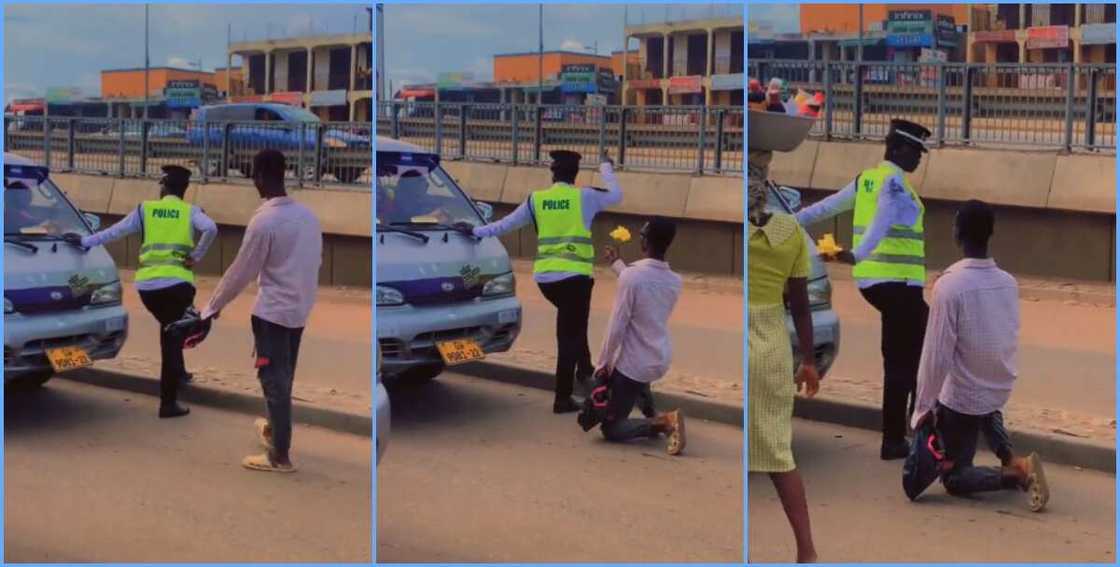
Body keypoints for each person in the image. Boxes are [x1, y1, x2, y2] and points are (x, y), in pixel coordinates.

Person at [795, 118, 932, 460]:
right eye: (915, 151)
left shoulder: (866, 180)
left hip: (874, 283)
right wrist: (856, 253)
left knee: (902, 359)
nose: (919, 158)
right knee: (914, 360)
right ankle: (913, 435)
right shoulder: (894, 184)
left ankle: (898, 437)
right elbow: (881, 223)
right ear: (897, 148)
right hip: (899, 283)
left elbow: (826, 207)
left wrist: (789, 220)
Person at [911, 200, 1049, 511]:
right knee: (983, 400)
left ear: (957, 234)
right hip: (998, 384)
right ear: (991, 234)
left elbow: (936, 356)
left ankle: (1016, 474)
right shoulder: (1007, 282)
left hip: (963, 398)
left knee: (954, 478)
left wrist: (922, 409)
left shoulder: (949, 286)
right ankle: (1010, 456)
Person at [469, 149, 622, 414]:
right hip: (575, 277)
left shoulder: (536, 200)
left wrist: (474, 231)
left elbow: (504, 225)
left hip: (546, 279)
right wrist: (606, 167)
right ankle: (562, 398)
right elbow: (617, 196)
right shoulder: (584, 196)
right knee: (569, 336)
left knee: (574, 324)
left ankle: (585, 370)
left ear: (552, 173)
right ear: (575, 174)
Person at [201, 149, 323, 473]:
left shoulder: (265, 221)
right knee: (284, 377)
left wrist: (211, 308)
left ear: (257, 177)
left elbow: (240, 272)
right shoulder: (308, 217)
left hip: (272, 314)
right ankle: (273, 429)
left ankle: (279, 457)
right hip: (298, 311)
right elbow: (315, 265)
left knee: (273, 381)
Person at [67, 165, 217, 418]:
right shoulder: (191, 212)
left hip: (148, 287)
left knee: (170, 328)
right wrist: (196, 256)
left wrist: (84, 242)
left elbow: (115, 231)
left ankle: (179, 373)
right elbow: (211, 229)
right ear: (184, 190)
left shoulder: (145, 209)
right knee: (172, 337)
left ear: (163, 187)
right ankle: (168, 403)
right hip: (178, 284)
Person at [748, 149, 819, 563]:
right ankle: (806, 550)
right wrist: (808, 360)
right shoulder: (790, 231)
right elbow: (801, 304)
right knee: (778, 452)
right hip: (773, 343)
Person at [595, 217, 685, 454]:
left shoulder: (632, 277)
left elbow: (616, 326)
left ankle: (664, 422)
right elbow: (645, 287)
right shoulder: (675, 282)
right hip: (658, 357)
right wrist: (618, 265)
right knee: (637, 379)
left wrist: (602, 364)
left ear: (645, 242)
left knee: (612, 428)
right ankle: (652, 413)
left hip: (633, 365)